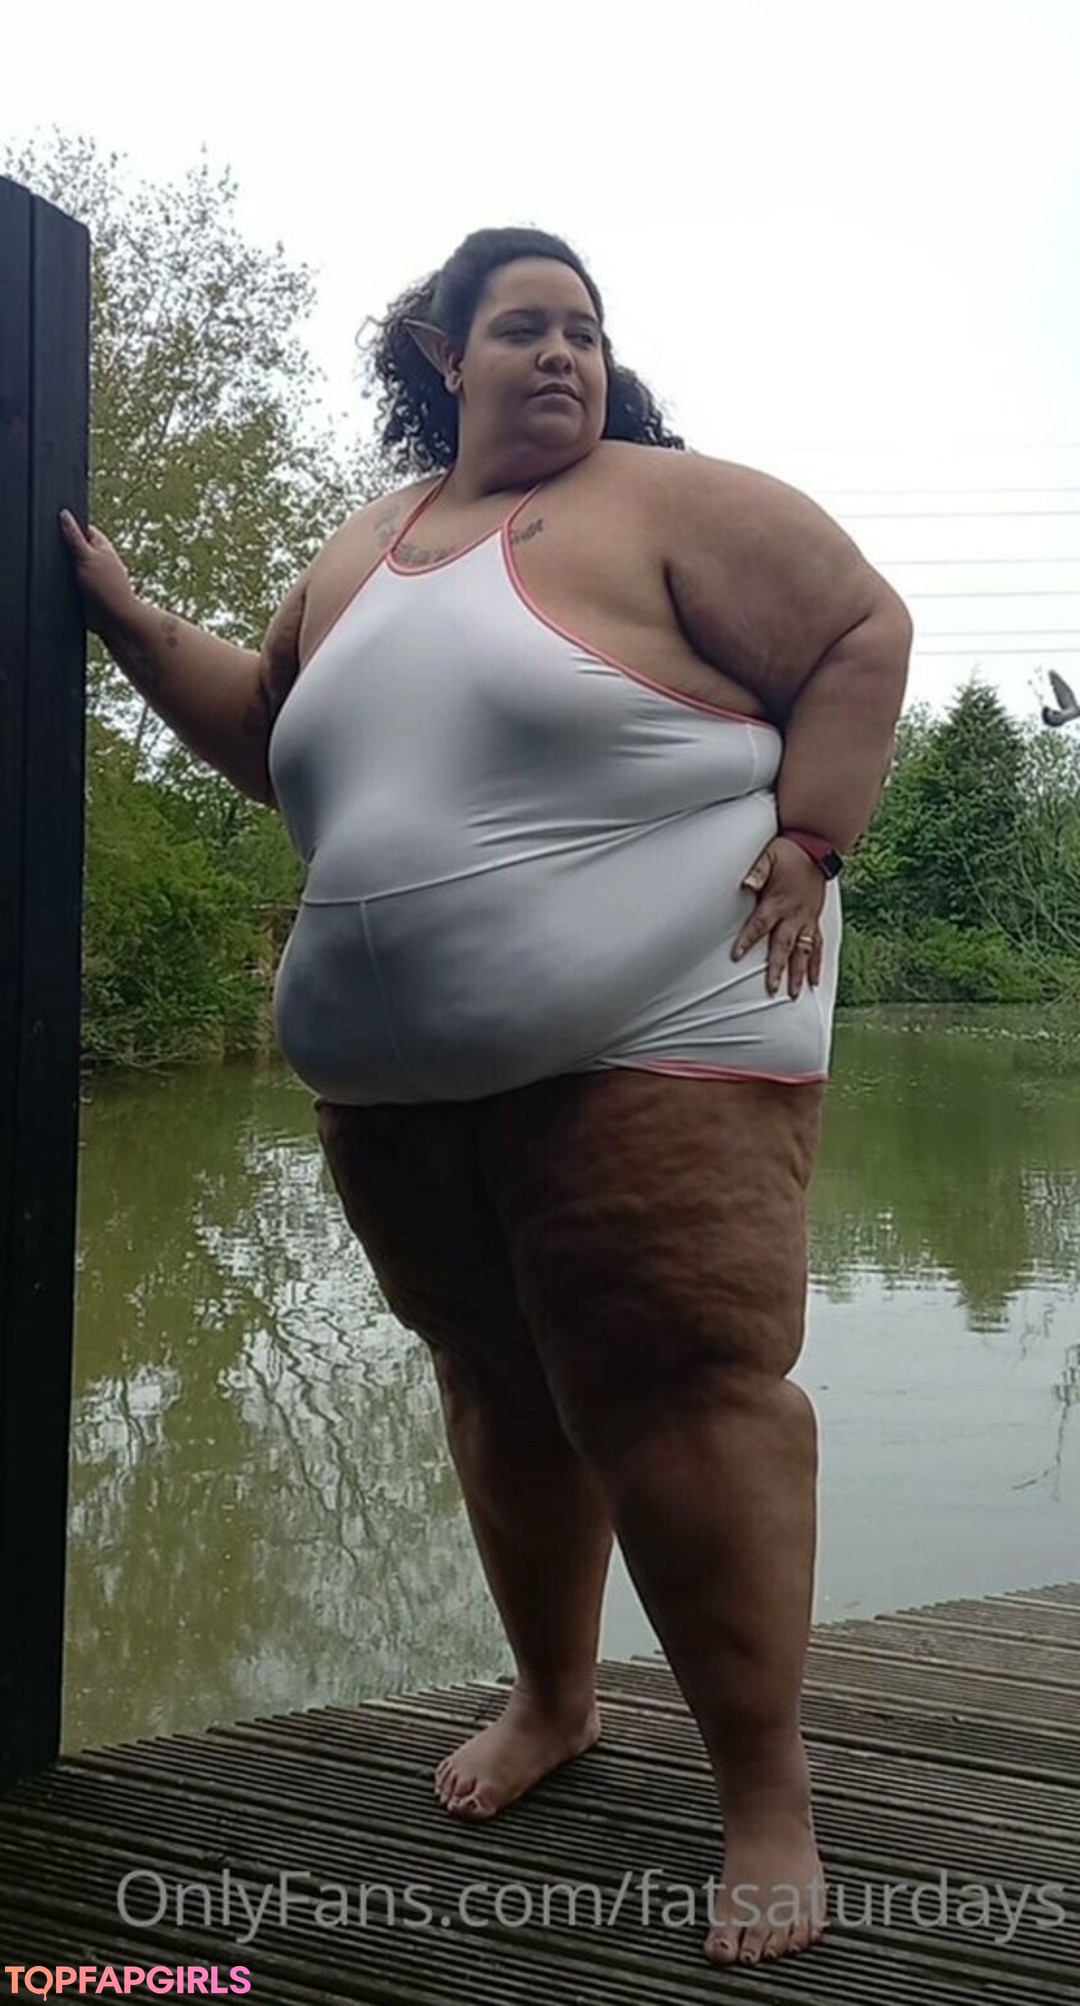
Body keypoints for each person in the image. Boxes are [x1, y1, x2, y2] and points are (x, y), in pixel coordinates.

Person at [60, 224, 912, 1967]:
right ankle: (556, 1697)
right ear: (445, 355)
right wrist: (136, 623)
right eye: (525, 327)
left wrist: (815, 834)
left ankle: (766, 1794)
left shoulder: (675, 505)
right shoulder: (359, 550)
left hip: (663, 1032)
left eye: (585, 329)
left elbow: (859, 630)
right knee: (497, 1384)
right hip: (401, 1094)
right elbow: (271, 736)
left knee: (678, 1389)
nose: (564, 354)